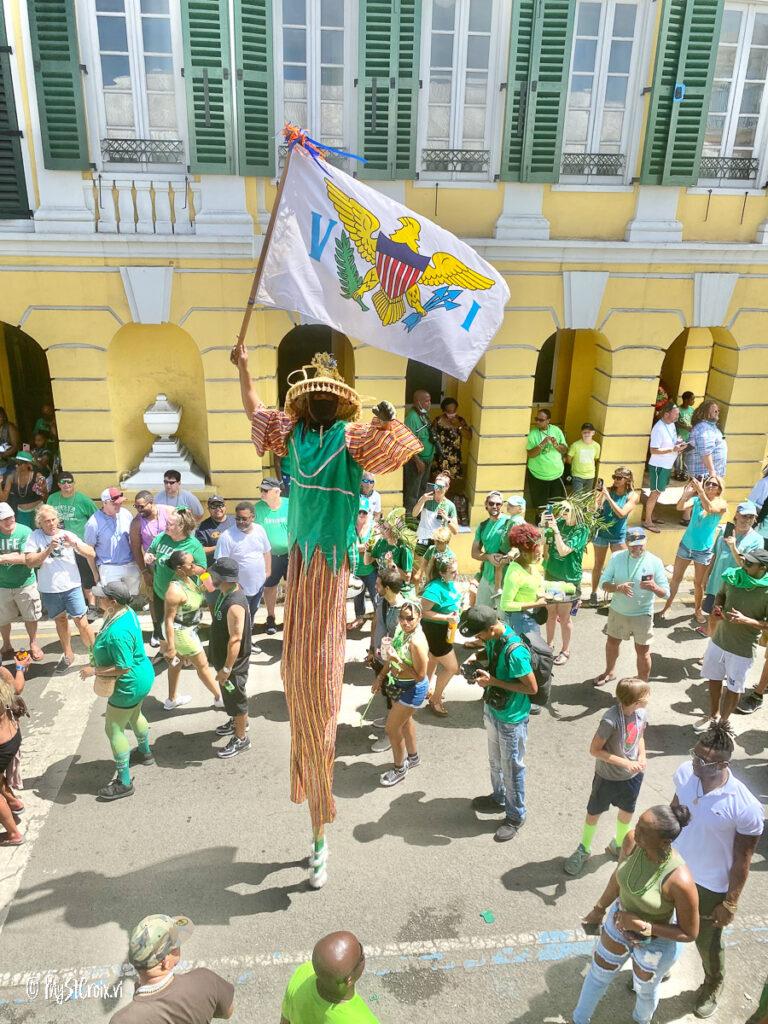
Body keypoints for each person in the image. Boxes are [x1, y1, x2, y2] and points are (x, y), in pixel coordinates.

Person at [237, 345, 419, 887]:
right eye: (312, 394)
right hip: (301, 567)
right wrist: (244, 368)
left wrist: (386, 420)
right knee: (300, 690)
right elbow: (253, 412)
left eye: (325, 396)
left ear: (337, 406)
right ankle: (314, 807)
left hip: (331, 569)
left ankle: (320, 828)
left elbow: (402, 446)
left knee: (320, 696)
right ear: (304, 402)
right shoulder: (291, 435)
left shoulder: (350, 439)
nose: (318, 401)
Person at [574, 804, 699, 1024]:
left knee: (644, 989)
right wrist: (599, 909)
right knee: (597, 976)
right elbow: (618, 878)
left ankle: (641, 1021)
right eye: (638, 825)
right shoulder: (632, 841)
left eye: (643, 830)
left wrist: (645, 926)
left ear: (665, 842)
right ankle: (578, 1020)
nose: (635, 831)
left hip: (655, 944)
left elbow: (689, 932)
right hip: (618, 923)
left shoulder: (681, 881)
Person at [672, 723, 764, 1018]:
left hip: (711, 886)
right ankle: (661, 963)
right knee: (664, 920)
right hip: (674, 869)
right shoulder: (686, 773)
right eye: (695, 755)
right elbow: (674, 811)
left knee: (707, 941)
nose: (695, 762)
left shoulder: (745, 807)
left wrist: (731, 901)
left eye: (703, 760)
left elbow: (743, 859)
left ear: (723, 764)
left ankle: (714, 982)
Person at [460, 605, 538, 842]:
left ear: (492, 628)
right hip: (494, 709)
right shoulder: (495, 637)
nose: (478, 638)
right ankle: (499, 797)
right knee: (495, 761)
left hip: (511, 719)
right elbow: (490, 653)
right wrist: (476, 657)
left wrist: (493, 681)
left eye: (480, 634)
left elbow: (531, 688)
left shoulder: (516, 653)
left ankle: (516, 816)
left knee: (512, 767)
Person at [564, 677, 651, 876]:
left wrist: (642, 756)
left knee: (627, 812)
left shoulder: (641, 714)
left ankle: (619, 844)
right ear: (635, 700)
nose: (649, 699)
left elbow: (639, 737)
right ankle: (583, 849)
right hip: (607, 777)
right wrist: (626, 763)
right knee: (594, 813)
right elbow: (595, 750)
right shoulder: (610, 720)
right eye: (646, 696)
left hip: (632, 777)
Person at [79, 581, 155, 801]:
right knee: (135, 714)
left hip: (129, 684)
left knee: (113, 729)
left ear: (112, 602)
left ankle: (124, 782)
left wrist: (93, 670)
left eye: (101, 597)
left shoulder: (117, 634)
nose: (97, 599)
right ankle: (145, 752)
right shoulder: (126, 611)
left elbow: (123, 666)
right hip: (143, 678)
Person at [694, 548, 768, 733]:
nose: (744, 565)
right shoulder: (733, 576)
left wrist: (747, 620)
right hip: (718, 641)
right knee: (714, 678)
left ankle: (722, 724)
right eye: (745, 561)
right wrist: (718, 607)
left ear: (763, 568)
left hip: (742, 649)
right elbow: (721, 594)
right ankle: (713, 715)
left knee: (734, 687)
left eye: (750, 564)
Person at [112, 914, 234, 1024]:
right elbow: (228, 1012)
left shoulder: (122, 1020)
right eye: (176, 945)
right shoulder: (206, 980)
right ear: (166, 961)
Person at [24, 505, 95, 671]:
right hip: (49, 589)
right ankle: (68, 654)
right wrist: (49, 549)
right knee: (61, 621)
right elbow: (29, 561)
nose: (51, 524)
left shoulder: (67, 534)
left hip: (72, 586)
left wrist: (75, 545)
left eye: (53, 519)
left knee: (82, 622)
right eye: (46, 521)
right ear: (40, 523)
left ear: (58, 519)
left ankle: (95, 655)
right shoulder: (35, 537)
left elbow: (91, 553)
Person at [596, 527, 670, 686]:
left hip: (642, 614)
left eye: (640, 544)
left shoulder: (655, 562)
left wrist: (655, 587)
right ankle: (609, 672)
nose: (637, 548)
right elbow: (603, 583)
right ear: (626, 544)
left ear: (646, 542)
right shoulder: (616, 557)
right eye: (633, 545)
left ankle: (642, 683)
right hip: (618, 611)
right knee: (612, 643)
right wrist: (617, 588)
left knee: (643, 652)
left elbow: (666, 594)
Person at [145, 509, 207, 697]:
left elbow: (202, 568)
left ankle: (183, 654)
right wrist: (148, 556)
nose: (166, 526)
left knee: (179, 627)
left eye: (170, 524)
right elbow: (151, 551)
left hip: (181, 596)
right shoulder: (162, 537)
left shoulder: (193, 545)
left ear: (182, 527)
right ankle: (167, 652)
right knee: (163, 625)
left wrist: (187, 568)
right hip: (160, 592)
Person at [371, 600, 429, 787]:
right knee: (404, 722)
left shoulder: (417, 642)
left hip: (413, 689)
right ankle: (413, 758)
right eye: (402, 618)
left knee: (391, 728)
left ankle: (399, 769)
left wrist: (399, 662)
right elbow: (390, 655)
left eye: (410, 619)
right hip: (399, 685)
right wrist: (380, 677)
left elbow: (420, 677)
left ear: (419, 617)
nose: (405, 622)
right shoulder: (400, 631)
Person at [162, 551, 222, 713]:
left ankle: (171, 699)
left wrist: (204, 575)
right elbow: (168, 620)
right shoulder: (174, 591)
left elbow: (209, 588)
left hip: (189, 629)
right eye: (191, 564)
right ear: (180, 569)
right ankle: (219, 698)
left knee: (176, 663)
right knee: (202, 665)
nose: (194, 566)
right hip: (181, 633)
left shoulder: (189, 579)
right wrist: (171, 647)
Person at [659, 476, 727, 621]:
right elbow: (679, 507)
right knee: (676, 579)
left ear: (719, 488)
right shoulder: (697, 500)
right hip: (686, 545)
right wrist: (687, 494)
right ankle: (667, 605)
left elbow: (710, 508)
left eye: (713, 484)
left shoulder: (721, 504)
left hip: (703, 551)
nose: (709, 486)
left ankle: (697, 610)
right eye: (707, 483)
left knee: (698, 583)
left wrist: (700, 491)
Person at [280, 931, 378, 1024]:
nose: (363, 954)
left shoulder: (302, 974)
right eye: (361, 957)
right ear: (349, 980)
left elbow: (285, 1020)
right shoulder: (363, 1020)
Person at [207, 557, 252, 760]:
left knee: (237, 700)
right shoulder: (225, 590)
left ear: (222, 577)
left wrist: (226, 669)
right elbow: (205, 584)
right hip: (223, 661)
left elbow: (235, 640)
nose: (210, 576)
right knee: (233, 700)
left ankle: (241, 738)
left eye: (213, 573)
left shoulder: (234, 604)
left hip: (232, 665)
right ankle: (238, 721)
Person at [699, 500, 761, 637]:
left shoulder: (757, 540)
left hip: (734, 587)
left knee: (725, 623)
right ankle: (710, 642)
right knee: (712, 616)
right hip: (716, 583)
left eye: (751, 517)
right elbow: (715, 555)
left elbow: (747, 567)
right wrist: (706, 576)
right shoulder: (723, 531)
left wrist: (733, 547)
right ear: (737, 515)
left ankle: (712, 649)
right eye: (745, 516)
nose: (748, 520)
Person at [543, 501, 589, 665]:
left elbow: (563, 550)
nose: (562, 512)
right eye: (562, 508)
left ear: (576, 512)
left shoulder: (582, 530)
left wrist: (555, 530)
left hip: (569, 578)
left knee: (564, 617)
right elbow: (545, 543)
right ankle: (549, 644)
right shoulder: (559, 522)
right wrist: (544, 525)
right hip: (552, 573)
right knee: (550, 613)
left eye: (567, 509)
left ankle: (565, 650)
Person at [213, 502, 271, 626]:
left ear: (253, 517)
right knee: (238, 621)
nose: (240, 521)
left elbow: (266, 551)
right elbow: (221, 564)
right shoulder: (226, 537)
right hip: (238, 590)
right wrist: (232, 585)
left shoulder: (260, 530)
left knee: (251, 614)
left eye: (244, 519)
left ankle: (247, 642)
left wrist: (268, 572)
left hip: (258, 584)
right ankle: (239, 644)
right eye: (237, 518)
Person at [48, 472, 98, 612]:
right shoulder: (52, 499)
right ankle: (74, 606)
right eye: (63, 482)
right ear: (58, 484)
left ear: (74, 483)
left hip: (79, 545)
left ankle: (92, 606)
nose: (66, 485)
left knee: (86, 576)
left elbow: (96, 519)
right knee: (65, 576)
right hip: (60, 546)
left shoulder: (83, 500)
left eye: (69, 482)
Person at [420, 551, 462, 716]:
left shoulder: (448, 582)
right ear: (441, 573)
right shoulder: (434, 588)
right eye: (452, 572)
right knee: (452, 667)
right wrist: (447, 617)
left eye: (456, 570)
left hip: (445, 630)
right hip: (435, 632)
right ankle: (435, 699)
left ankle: (426, 689)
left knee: (434, 659)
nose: (456, 574)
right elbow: (424, 612)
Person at [590, 467, 639, 605]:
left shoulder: (632, 496)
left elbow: (622, 513)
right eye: (614, 477)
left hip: (618, 534)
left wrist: (608, 497)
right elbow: (595, 508)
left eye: (619, 478)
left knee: (622, 565)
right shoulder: (608, 491)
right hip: (602, 533)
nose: (615, 480)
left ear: (627, 480)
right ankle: (593, 593)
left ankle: (620, 593)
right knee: (598, 564)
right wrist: (598, 497)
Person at [0, 502, 43, 661]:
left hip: (25, 582)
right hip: (2, 584)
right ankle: (7, 644)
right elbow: (20, 556)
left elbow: (27, 558)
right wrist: (15, 556)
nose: (8, 521)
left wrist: (3, 557)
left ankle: (33, 642)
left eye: (10, 518)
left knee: (31, 616)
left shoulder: (25, 531)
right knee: (2, 618)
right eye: (4, 519)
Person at [130, 491, 171, 647]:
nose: (138, 510)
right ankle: (157, 630)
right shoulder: (137, 522)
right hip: (152, 568)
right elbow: (135, 548)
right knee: (154, 599)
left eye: (141, 506)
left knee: (173, 597)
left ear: (151, 502)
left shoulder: (168, 512)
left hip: (171, 566)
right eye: (136, 506)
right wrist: (144, 572)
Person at [84, 488, 142, 597]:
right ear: (105, 503)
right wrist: (95, 573)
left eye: (120, 503)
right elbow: (89, 551)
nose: (119, 505)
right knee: (113, 600)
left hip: (130, 563)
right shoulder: (93, 523)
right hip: (108, 567)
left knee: (132, 597)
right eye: (115, 504)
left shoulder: (125, 514)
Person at [643, 402, 686, 532]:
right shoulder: (658, 428)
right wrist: (672, 449)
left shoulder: (671, 424)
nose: (678, 416)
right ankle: (648, 521)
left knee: (658, 492)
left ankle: (652, 515)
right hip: (658, 466)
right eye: (676, 413)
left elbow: (672, 442)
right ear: (666, 414)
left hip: (667, 465)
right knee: (655, 492)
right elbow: (654, 450)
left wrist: (679, 445)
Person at [253, 478, 289, 635]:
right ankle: (270, 617)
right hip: (269, 556)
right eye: (261, 489)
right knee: (269, 587)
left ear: (277, 491)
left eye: (265, 490)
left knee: (293, 587)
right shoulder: (257, 509)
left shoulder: (290, 505)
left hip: (291, 555)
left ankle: (290, 619)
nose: (262, 493)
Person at [499, 523, 546, 639]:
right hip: (521, 623)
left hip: (531, 619)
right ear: (524, 554)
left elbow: (539, 584)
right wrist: (536, 604)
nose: (540, 557)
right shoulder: (514, 573)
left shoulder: (530, 566)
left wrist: (568, 588)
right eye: (537, 554)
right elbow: (505, 605)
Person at [0, 659, 29, 845]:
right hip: (13, 736)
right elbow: (17, 688)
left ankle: (13, 834)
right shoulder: (1, 670)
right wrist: (20, 668)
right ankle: (13, 802)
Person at [412, 473, 458, 572]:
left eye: (441, 487)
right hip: (423, 538)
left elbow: (455, 531)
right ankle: (417, 587)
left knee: (436, 572)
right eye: (436, 486)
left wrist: (446, 518)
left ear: (447, 487)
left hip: (439, 541)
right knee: (417, 572)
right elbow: (414, 514)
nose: (437, 489)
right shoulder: (426, 498)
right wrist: (422, 500)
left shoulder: (450, 505)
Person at [525, 409, 567, 512]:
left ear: (548, 420)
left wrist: (556, 445)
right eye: (536, 419)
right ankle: (541, 525)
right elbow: (530, 454)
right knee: (540, 506)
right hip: (538, 476)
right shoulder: (532, 434)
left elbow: (564, 449)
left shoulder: (556, 430)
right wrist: (542, 444)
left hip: (556, 475)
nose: (537, 422)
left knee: (556, 504)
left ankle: (553, 525)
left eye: (541, 420)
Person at [403, 389, 435, 512]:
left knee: (422, 489)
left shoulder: (423, 414)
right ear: (418, 401)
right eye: (426, 401)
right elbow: (408, 443)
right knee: (413, 492)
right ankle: (410, 518)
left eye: (430, 400)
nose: (429, 403)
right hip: (417, 462)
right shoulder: (412, 418)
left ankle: (419, 514)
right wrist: (417, 461)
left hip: (427, 459)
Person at [348, 499, 377, 632]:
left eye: (364, 512)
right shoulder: (350, 526)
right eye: (359, 511)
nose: (361, 514)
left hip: (370, 569)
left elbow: (373, 546)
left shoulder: (372, 527)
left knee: (375, 596)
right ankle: (360, 618)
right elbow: (348, 546)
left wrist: (359, 547)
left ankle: (379, 620)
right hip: (356, 569)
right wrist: (361, 547)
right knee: (357, 598)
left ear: (368, 513)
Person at [685, 400, 728, 487]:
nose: (718, 413)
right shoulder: (704, 428)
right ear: (706, 413)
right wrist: (712, 473)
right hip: (704, 475)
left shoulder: (710, 426)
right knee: (701, 498)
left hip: (706, 475)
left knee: (701, 499)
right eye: (715, 411)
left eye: (718, 410)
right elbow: (705, 452)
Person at [0, 451, 48, 528]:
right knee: (25, 537)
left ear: (28, 464)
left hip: (38, 511)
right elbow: (3, 499)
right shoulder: (11, 477)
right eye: (15, 463)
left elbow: (45, 496)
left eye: (19, 463)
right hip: (22, 513)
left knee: (40, 534)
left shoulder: (37, 476)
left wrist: (43, 489)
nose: (16, 466)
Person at [431, 397, 471, 489]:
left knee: (452, 482)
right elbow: (431, 437)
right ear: (444, 410)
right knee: (438, 481)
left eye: (454, 411)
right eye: (449, 411)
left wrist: (459, 426)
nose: (452, 413)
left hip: (454, 457)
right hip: (439, 456)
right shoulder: (438, 420)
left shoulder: (460, 420)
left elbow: (469, 436)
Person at [195, 496, 235, 567]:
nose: (217, 509)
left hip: (236, 566)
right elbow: (199, 550)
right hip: (215, 570)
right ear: (209, 509)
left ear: (225, 507)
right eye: (213, 506)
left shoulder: (235, 521)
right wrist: (219, 547)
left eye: (220, 505)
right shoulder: (202, 528)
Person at [414, 524, 453, 592]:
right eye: (435, 541)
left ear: (446, 542)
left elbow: (450, 575)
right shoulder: (431, 549)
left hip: (442, 580)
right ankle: (418, 595)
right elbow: (424, 564)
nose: (436, 544)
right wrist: (419, 574)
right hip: (430, 578)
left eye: (439, 543)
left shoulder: (450, 555)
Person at [567, 422, 601, 494]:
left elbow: (595, 459)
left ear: (593, 433)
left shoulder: (597, 446)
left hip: (590, 476)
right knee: (577, 498)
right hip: (577, 476)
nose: (586, 434)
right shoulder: (575, 445)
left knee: (586, 498)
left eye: (588, 432)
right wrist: (575, 467)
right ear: (581, 433)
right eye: (584, 432)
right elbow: (569, 459)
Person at [674, 391, 696, 480]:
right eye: (692, 399)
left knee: (687, 455)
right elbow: (675, 422)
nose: (693, 401)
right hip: (680, 437)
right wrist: (685, 427)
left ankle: (685, 473)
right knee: (678, 456)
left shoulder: (692, 410)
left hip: (689, 437)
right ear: (686, 400)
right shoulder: (678, 410)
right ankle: (677, 472)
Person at [0, 407, 19, 473]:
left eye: (0, 417)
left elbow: (16, 447)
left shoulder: (10, 427)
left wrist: (3, 455)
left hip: (12, 459)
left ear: (4, 417)